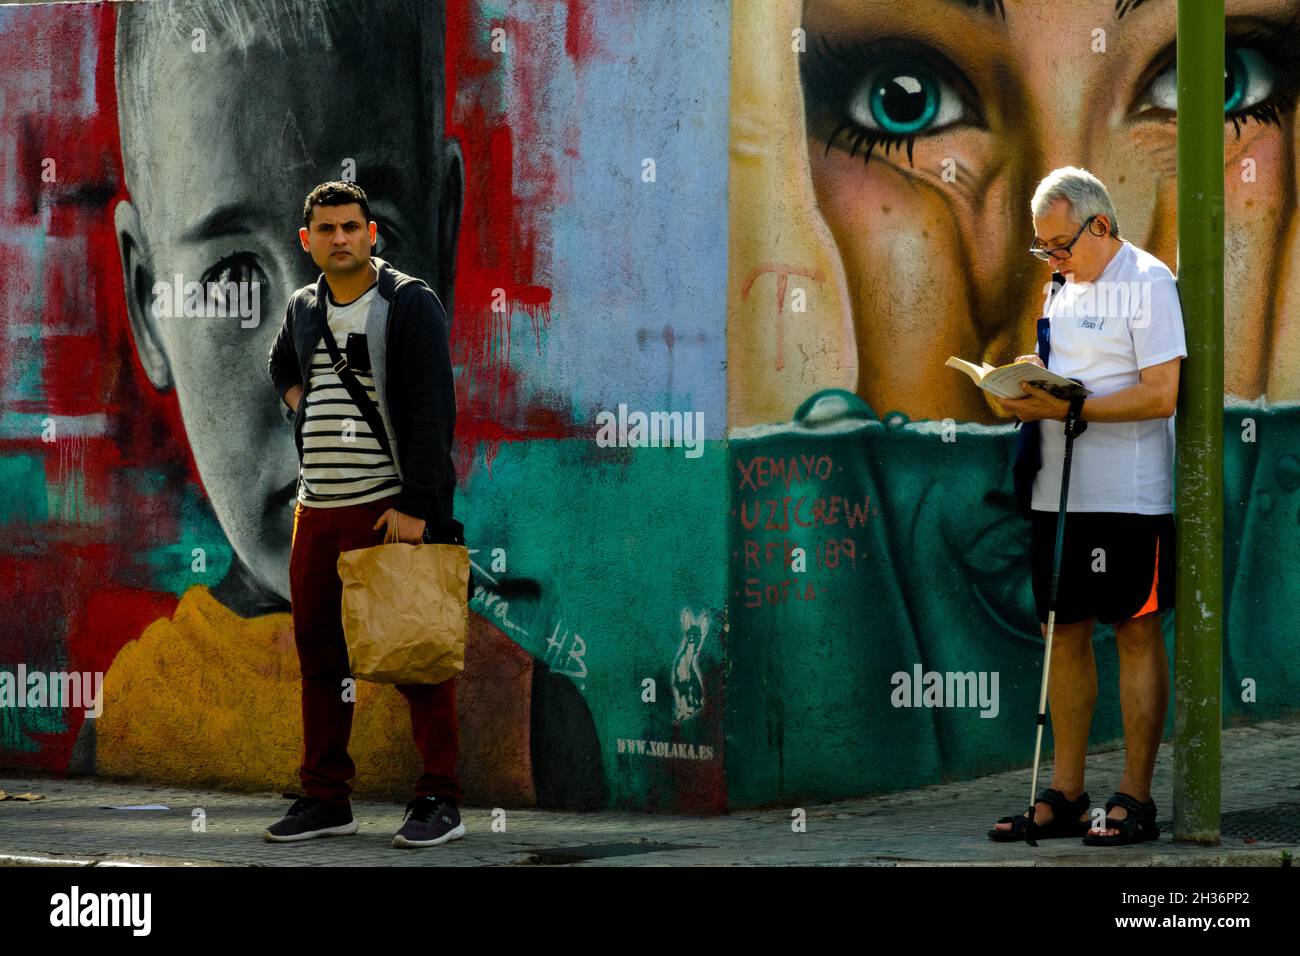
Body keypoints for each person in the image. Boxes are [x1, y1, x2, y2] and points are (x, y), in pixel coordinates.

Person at [989, 167, 1186, 845]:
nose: (1053, 259)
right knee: (1062, 631)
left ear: (1100, 224)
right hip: (1058, 490)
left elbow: (1162, 393)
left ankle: (1135, 796)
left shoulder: (1148, 281)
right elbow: (1066, 374)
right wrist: (1021, 388)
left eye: (1060, 245)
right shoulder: (1060, 287)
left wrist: (1071, 404)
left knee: (1133, 629)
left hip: (1127, 495)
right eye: (1042, 248)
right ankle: (1067, 792)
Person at [264, 181, 463, 847]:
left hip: (386, 513)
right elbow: (280, 369)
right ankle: (326, 799)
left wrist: (417, 506)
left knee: (416, 659)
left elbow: (436, 410)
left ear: (371, 233)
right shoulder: (303, 307)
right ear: (308, 240)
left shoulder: (409, 304)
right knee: (321, 663)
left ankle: (440, 798)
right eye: (327, 229)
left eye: (352, 227)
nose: (341, 238)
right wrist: (306, 409)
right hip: (314, 515)